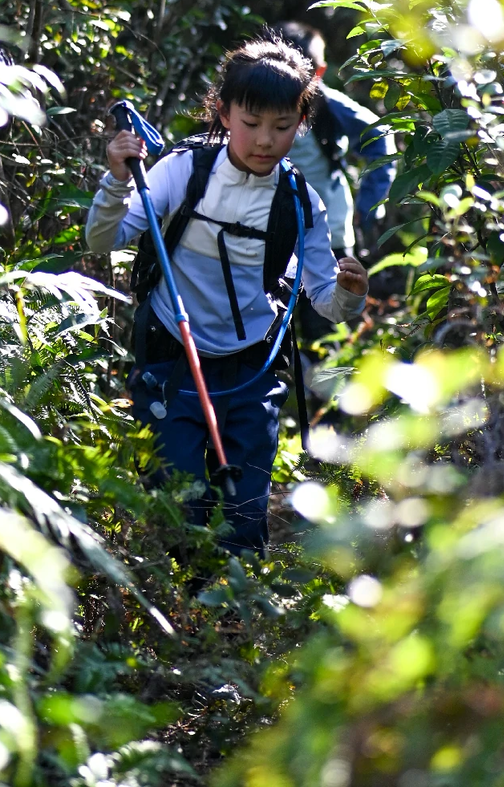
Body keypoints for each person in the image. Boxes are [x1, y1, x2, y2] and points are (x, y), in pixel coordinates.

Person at [85, 37, 368, 555]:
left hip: (253, 373)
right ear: (223, 112)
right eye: (252, 123)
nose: (265, 140)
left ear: (300, 124)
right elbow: (104, 240)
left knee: (244, 518)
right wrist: (117, 181)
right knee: (179, 505)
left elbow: (325, 297)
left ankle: (235, 620)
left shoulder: (299, 199)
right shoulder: (183, 171)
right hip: (172, 362)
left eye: (282, 127)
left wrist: (350, 294)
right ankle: (183, 617)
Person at [277, 21, 396, 259]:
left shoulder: (329, 105)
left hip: (330, 229)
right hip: (272, 227)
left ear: (317, 73)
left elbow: (380, 137)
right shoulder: (251, 107)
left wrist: (368, 205)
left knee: (336, 292)